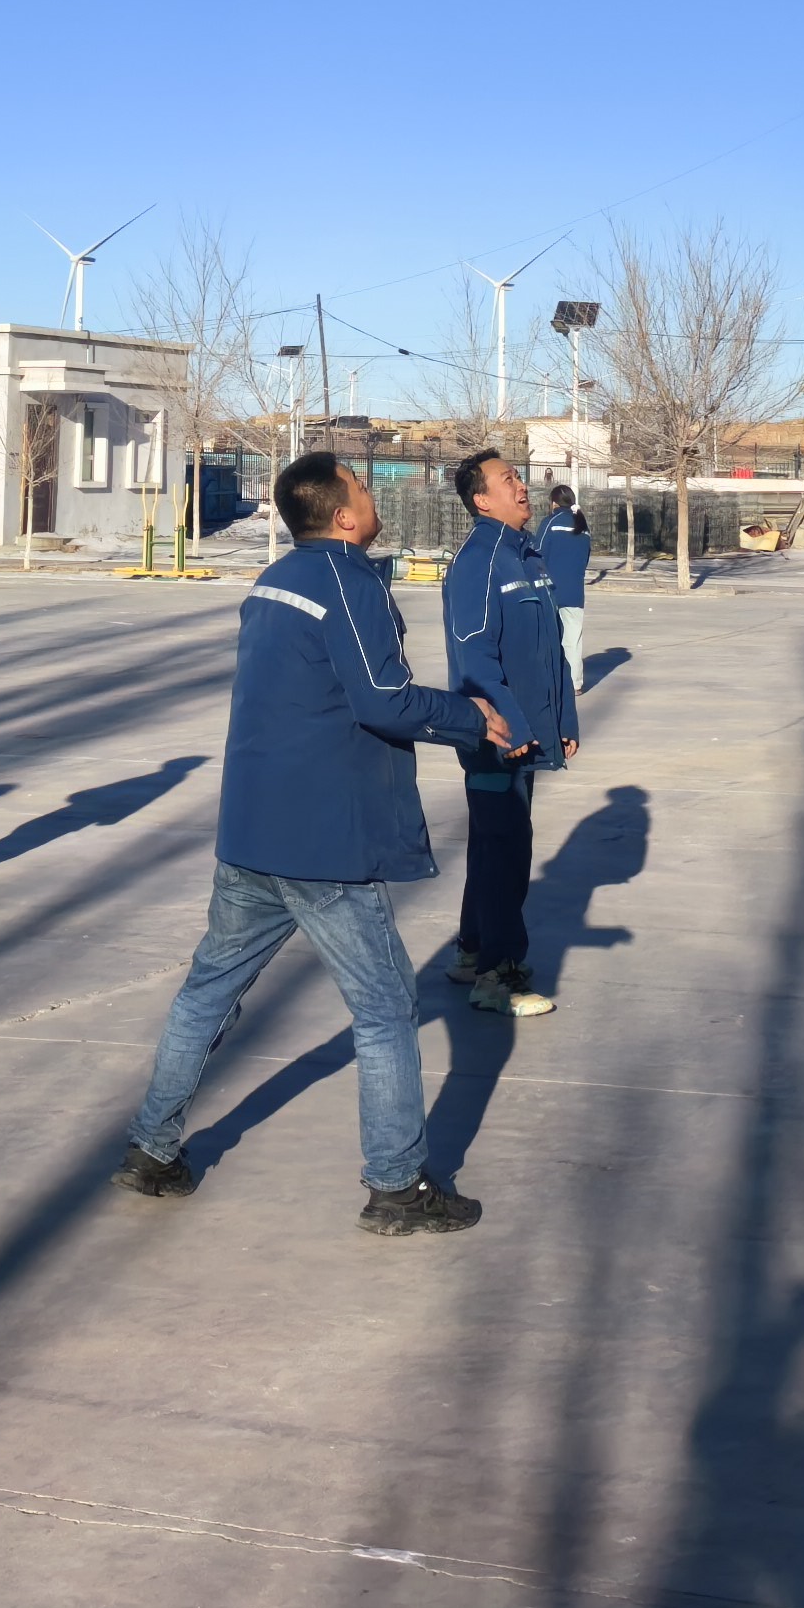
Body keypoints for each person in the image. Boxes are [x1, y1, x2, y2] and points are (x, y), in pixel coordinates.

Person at [112, 449, 520, 1236]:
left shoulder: (274, 581)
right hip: (324, 841)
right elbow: (384, 699)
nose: (370, 495)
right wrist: (471, 718)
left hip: (253, 830)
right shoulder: (347, 583)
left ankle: (151, 1148)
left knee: (208, 993)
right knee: (386, 1008)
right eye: (362, 487)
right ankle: (397, 1186)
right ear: (342, 515)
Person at [443, 448, 576, 1016]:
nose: (521, 486)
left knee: (493, 845)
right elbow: (474, 660)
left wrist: (564, 719)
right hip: (497, 739)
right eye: (507, 480)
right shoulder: (480, 562)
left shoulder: (528, 556)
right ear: (481, 499)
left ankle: (474, 949)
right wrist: (511, 726)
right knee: (505, 851)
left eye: (519, 476)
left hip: (530, 734)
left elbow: (553, 652)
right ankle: (498, 976)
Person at [542, 481, 593, 674]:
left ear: (554, 503)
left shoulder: (550, 522)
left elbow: (538, 553)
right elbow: (585, 560)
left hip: (550, 591)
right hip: (575, 593)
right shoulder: (584, 528)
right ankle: (575, 682)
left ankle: (552, 680)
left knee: (549, 639)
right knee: (573, 640)